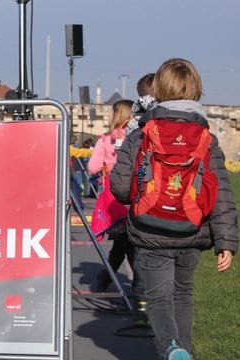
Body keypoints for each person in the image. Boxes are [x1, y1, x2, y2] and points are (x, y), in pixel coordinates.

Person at [110, 58, 238, 359]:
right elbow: (221, 192)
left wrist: (140, 196)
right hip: (191, 229)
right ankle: (185, 351)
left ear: (159, 90)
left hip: (150, 229)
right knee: (183, 296)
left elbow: (118, 185)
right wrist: (226, 242)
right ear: (196, 90)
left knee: (158, 300)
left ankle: (170, 347)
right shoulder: (207, 139)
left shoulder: (141, 133)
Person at [88, 99, 144, 308]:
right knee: (126, 242)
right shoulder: (138, 137)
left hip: (114, 200)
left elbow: (93, 167)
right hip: (135, 196)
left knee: (125, 244)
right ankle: (110, 278)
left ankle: (135, 287)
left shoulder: (105, 141)